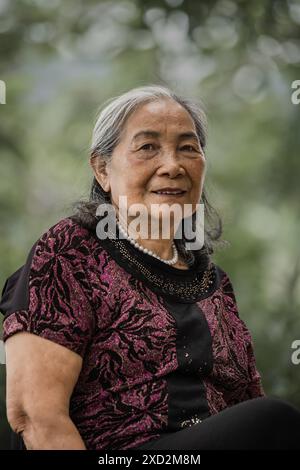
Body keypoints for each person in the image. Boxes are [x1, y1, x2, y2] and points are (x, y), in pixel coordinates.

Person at [1, 84, 300, 450]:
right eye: (147, 147)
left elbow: (246, 405)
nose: (173, 166)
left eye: (188, 148)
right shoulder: (69, 254)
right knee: (274, 420)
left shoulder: (214, 282)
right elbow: (34, 415)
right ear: (102, 169)